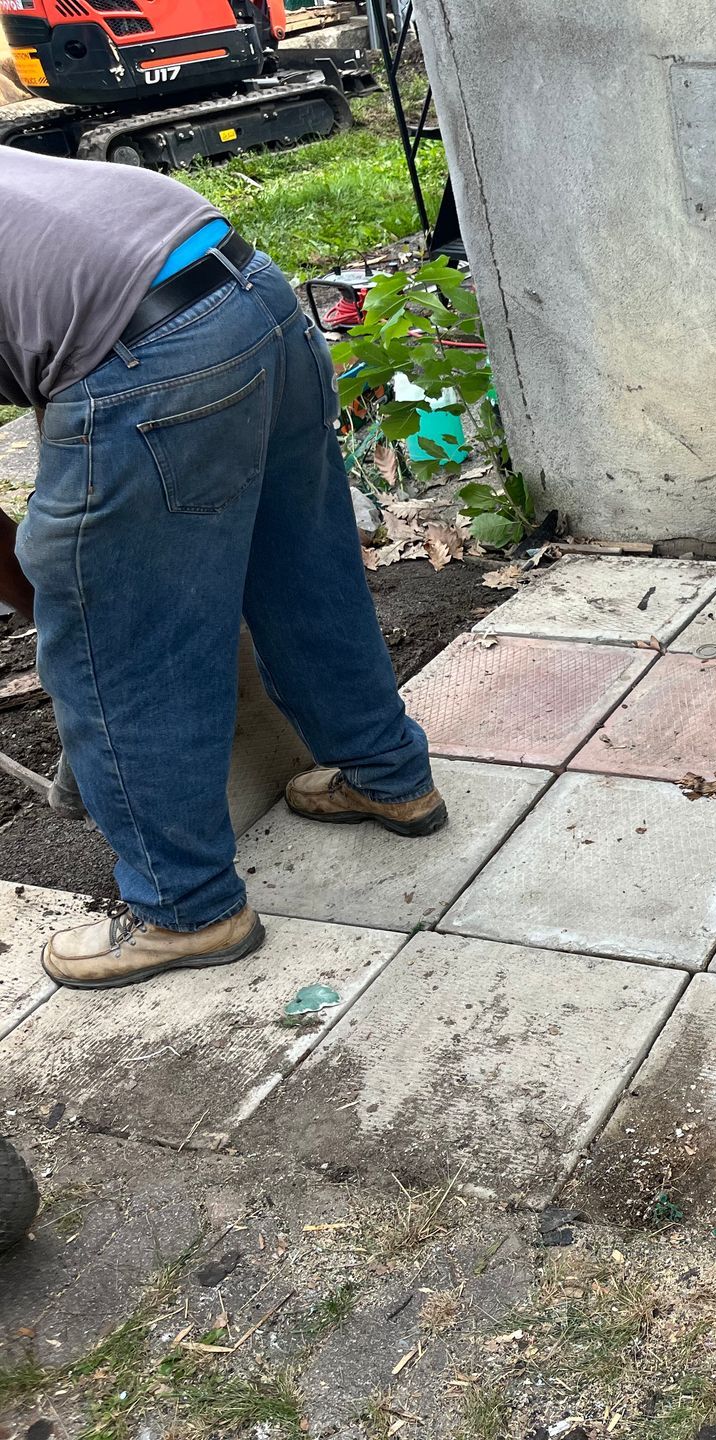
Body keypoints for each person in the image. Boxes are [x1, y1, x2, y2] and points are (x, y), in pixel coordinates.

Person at [0, 148, 446, 990]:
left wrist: (69, 613)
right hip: (251, 291)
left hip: (146, 352)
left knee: (125, 653)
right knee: (302, 566)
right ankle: (391, 776)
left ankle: (187, 908)